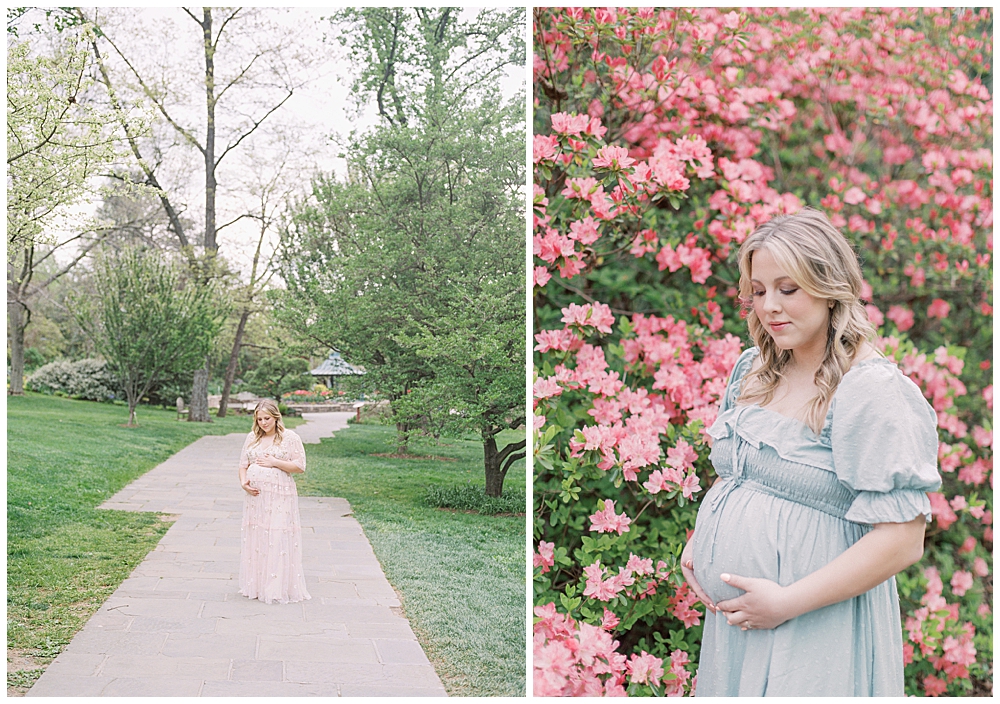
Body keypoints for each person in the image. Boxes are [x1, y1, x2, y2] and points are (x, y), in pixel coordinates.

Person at [680, 208, 941, 696]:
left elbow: (904, 539)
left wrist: (785, 602)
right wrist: (703, 540)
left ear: (829, 285)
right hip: (740, 629)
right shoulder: (754, 370)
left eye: (788, 288)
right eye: (758, 291)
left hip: (813, 625)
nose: (770, 306)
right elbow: (735, 474)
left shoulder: (871, 390)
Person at [238, 399, 311, 604]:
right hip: (255, 498)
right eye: (259, 419)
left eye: (267, 418)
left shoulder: (289, 438)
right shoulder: (252, 438)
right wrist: (244, 482)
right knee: (258, 535)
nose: (263, 422)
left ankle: (277, 587)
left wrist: (274, 463)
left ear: (276, 417)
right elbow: (243, 465)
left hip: (280, 494)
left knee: (277, 535)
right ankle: (257, 585)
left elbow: (300, 466)